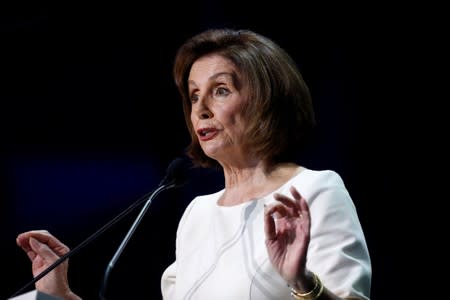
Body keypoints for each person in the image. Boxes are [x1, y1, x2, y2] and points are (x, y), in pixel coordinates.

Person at [16, 28, 371, 299]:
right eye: (194, 95)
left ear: (266, 100)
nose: (200, 109)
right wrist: (59, 296)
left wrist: (302, 282)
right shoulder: (197, 215)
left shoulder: (314, 190)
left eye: (221, 90)